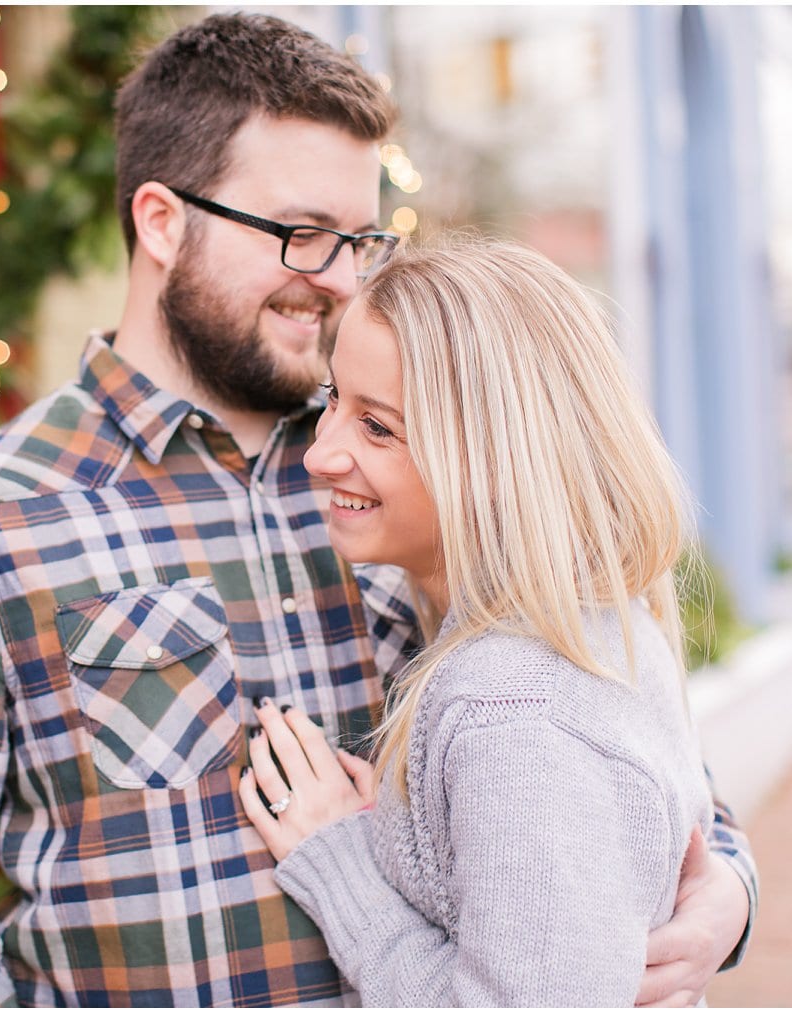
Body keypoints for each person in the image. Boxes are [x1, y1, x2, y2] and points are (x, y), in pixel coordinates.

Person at [0, 13, 756, 1007]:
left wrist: (722, 903)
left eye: (359, 239)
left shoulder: (422, 467)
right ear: (162, 222)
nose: (343, 279)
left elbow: (642, 768)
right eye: (303, 236)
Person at [237, 235, 732, 1005]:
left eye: (378, 427)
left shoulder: (512, 712)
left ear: (495, 460)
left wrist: (339, 862)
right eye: (333, 398)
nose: (319, 453)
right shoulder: (592, 620)